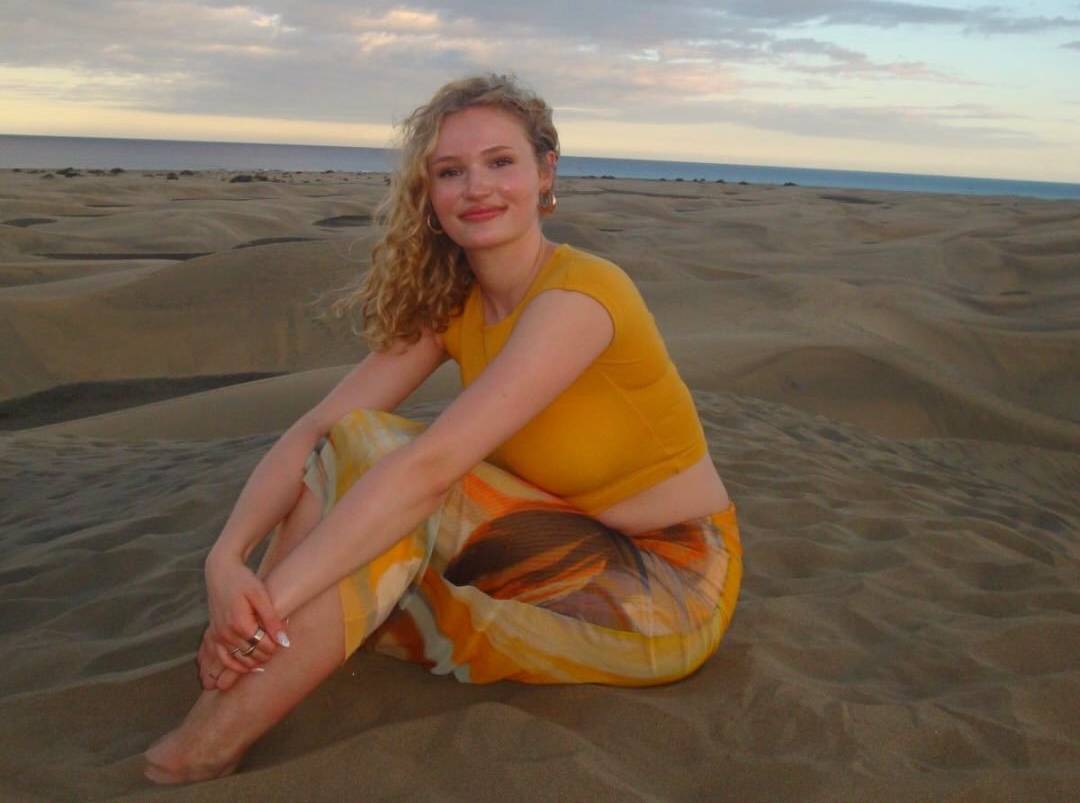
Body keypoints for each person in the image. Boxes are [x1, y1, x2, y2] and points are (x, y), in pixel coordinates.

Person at [145, 75, 742, 784]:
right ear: (427, 194)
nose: (476, 188)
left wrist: (260, 607)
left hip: (663, 591)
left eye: (500, 162)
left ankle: (210, 736)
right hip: (547, 553)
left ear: (545, 172)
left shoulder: (581, 296)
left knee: (382, 468)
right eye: (450, 171)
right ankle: (254, 653)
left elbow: (427, 470)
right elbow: (317, 428)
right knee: (353, 463)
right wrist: (226, 561)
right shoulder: (457, 303)